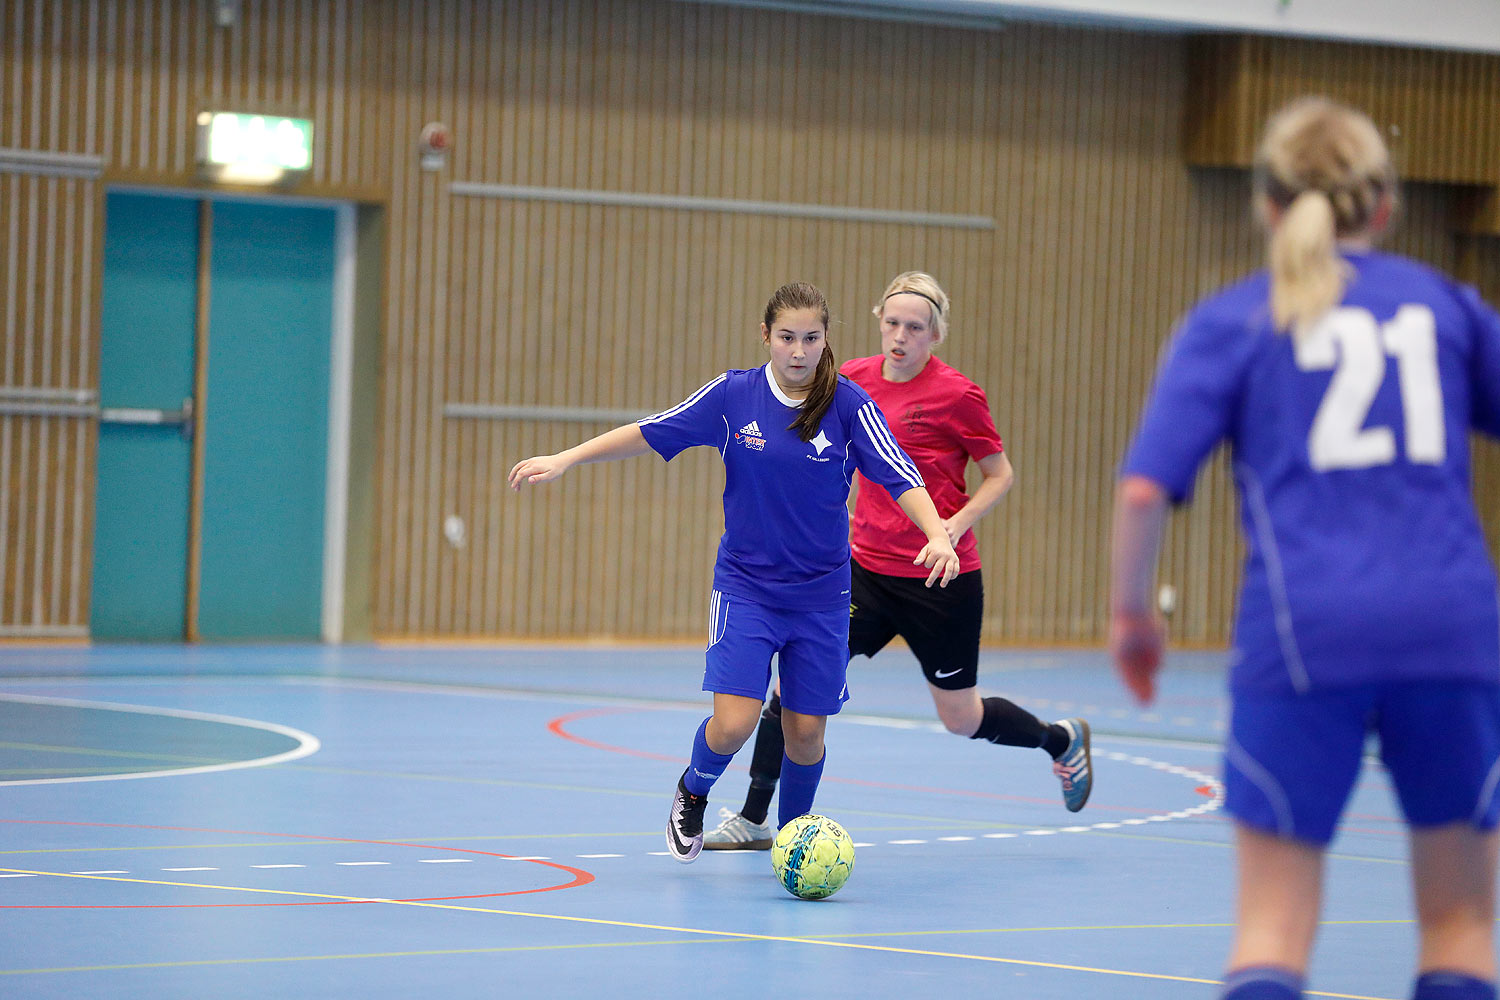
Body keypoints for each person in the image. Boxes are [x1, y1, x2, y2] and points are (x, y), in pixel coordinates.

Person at [1110, 96, 1500, 1000]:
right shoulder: (1442, 304)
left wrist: (1133, 615)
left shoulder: (1236, 321)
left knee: (1274, 927)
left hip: (1303, 632)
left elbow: (1141, 491)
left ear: (1268, 205)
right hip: (1452, 629)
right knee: (1462, 923)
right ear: (1386, 206)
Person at [509, 281, 961, 864]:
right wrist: (566, 458)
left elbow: (901, 475)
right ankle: (691, 791)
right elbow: (649, 431)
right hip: (747, 588)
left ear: (827, 341)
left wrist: (936, 534)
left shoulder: (850, 405)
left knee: (805, 733)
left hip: (822, 596)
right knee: (735, 723)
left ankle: (795, 843)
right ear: (766, 337)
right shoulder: (734, 396)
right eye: (787, 338)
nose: (799, 351)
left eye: (812, 339)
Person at [704, 271, 1094, 852]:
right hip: (863, 574)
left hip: (941, 579)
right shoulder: (847, 381)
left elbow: (1000, 474)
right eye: (892, 323)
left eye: (915, 327)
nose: (900, 336)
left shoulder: (959, 396)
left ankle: (1057, 739)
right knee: (790, 692)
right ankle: (757, 817)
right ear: (877, 322)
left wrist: (952, 527)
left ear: (936, 334)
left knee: (961, 718)